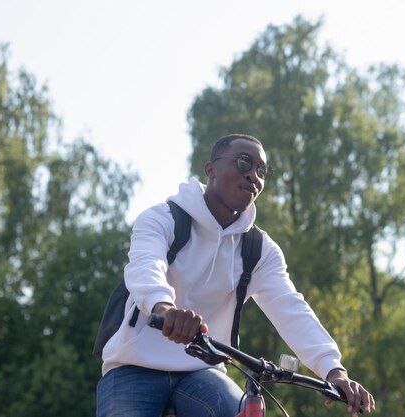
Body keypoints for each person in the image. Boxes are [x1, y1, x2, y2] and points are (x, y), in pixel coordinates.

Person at [96, 134, 375, 417]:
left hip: (201, 371)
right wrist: (164, 308)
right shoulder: (162, 219)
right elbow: (146, 267)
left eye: (261, 171)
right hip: (135, 366)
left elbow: (291, 308)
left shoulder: (258, 250)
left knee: (238, 410)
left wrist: (334, 369)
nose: (253, 175)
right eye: (244, 163)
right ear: (211, 169)